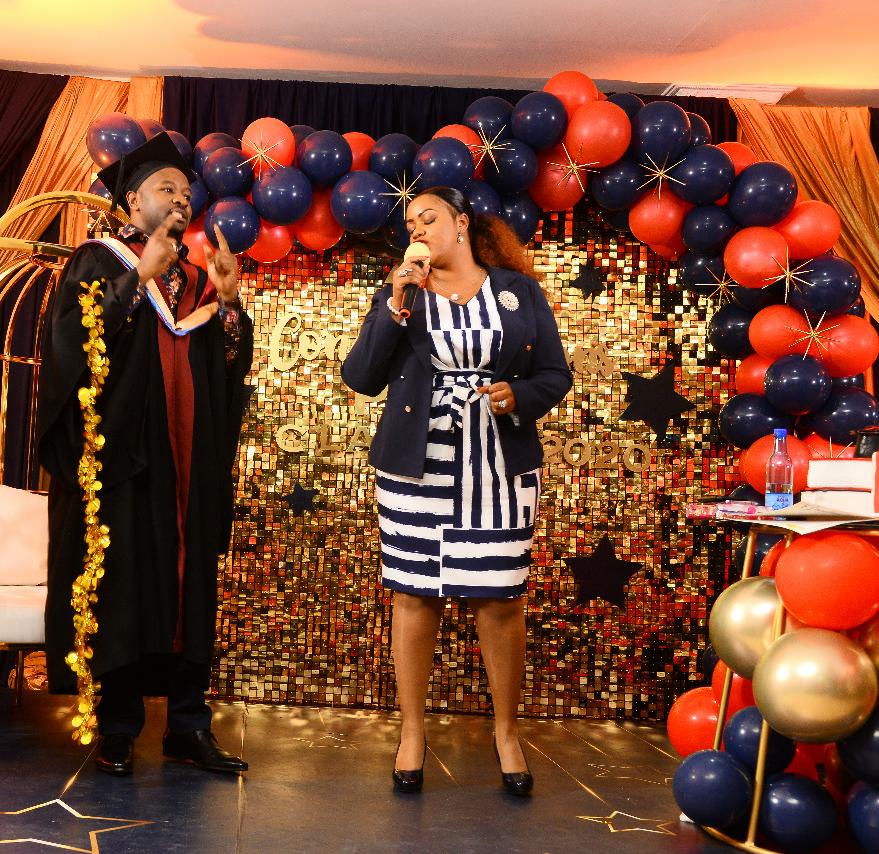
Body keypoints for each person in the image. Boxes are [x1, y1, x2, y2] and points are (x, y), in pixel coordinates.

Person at [341, 186, 572, 795]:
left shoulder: (517, 291)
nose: (417, 230)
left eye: (429, 218)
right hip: (417, 467)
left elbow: (555, 373)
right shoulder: (402, 294)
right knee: (415, 596)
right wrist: (394, 305)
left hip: (498, 464)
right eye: (410, 223)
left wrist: (519, 396)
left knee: (499, 600)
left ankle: (506, 734)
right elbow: (360, 377)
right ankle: (411, 733)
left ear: (462, 223)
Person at [38, 132, 253, 776]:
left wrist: (230, 305)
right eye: (167, 189)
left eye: (187, 193)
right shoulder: (97, 262)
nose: (182, 200)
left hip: (188, 461)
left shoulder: (199, 280)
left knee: (191, 584)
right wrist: (138, 278)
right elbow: (73, 347)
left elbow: (227, 368)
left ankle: (188, 725)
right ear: (133, 200)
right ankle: (119, 727)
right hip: (127, 462)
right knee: (125, 585)